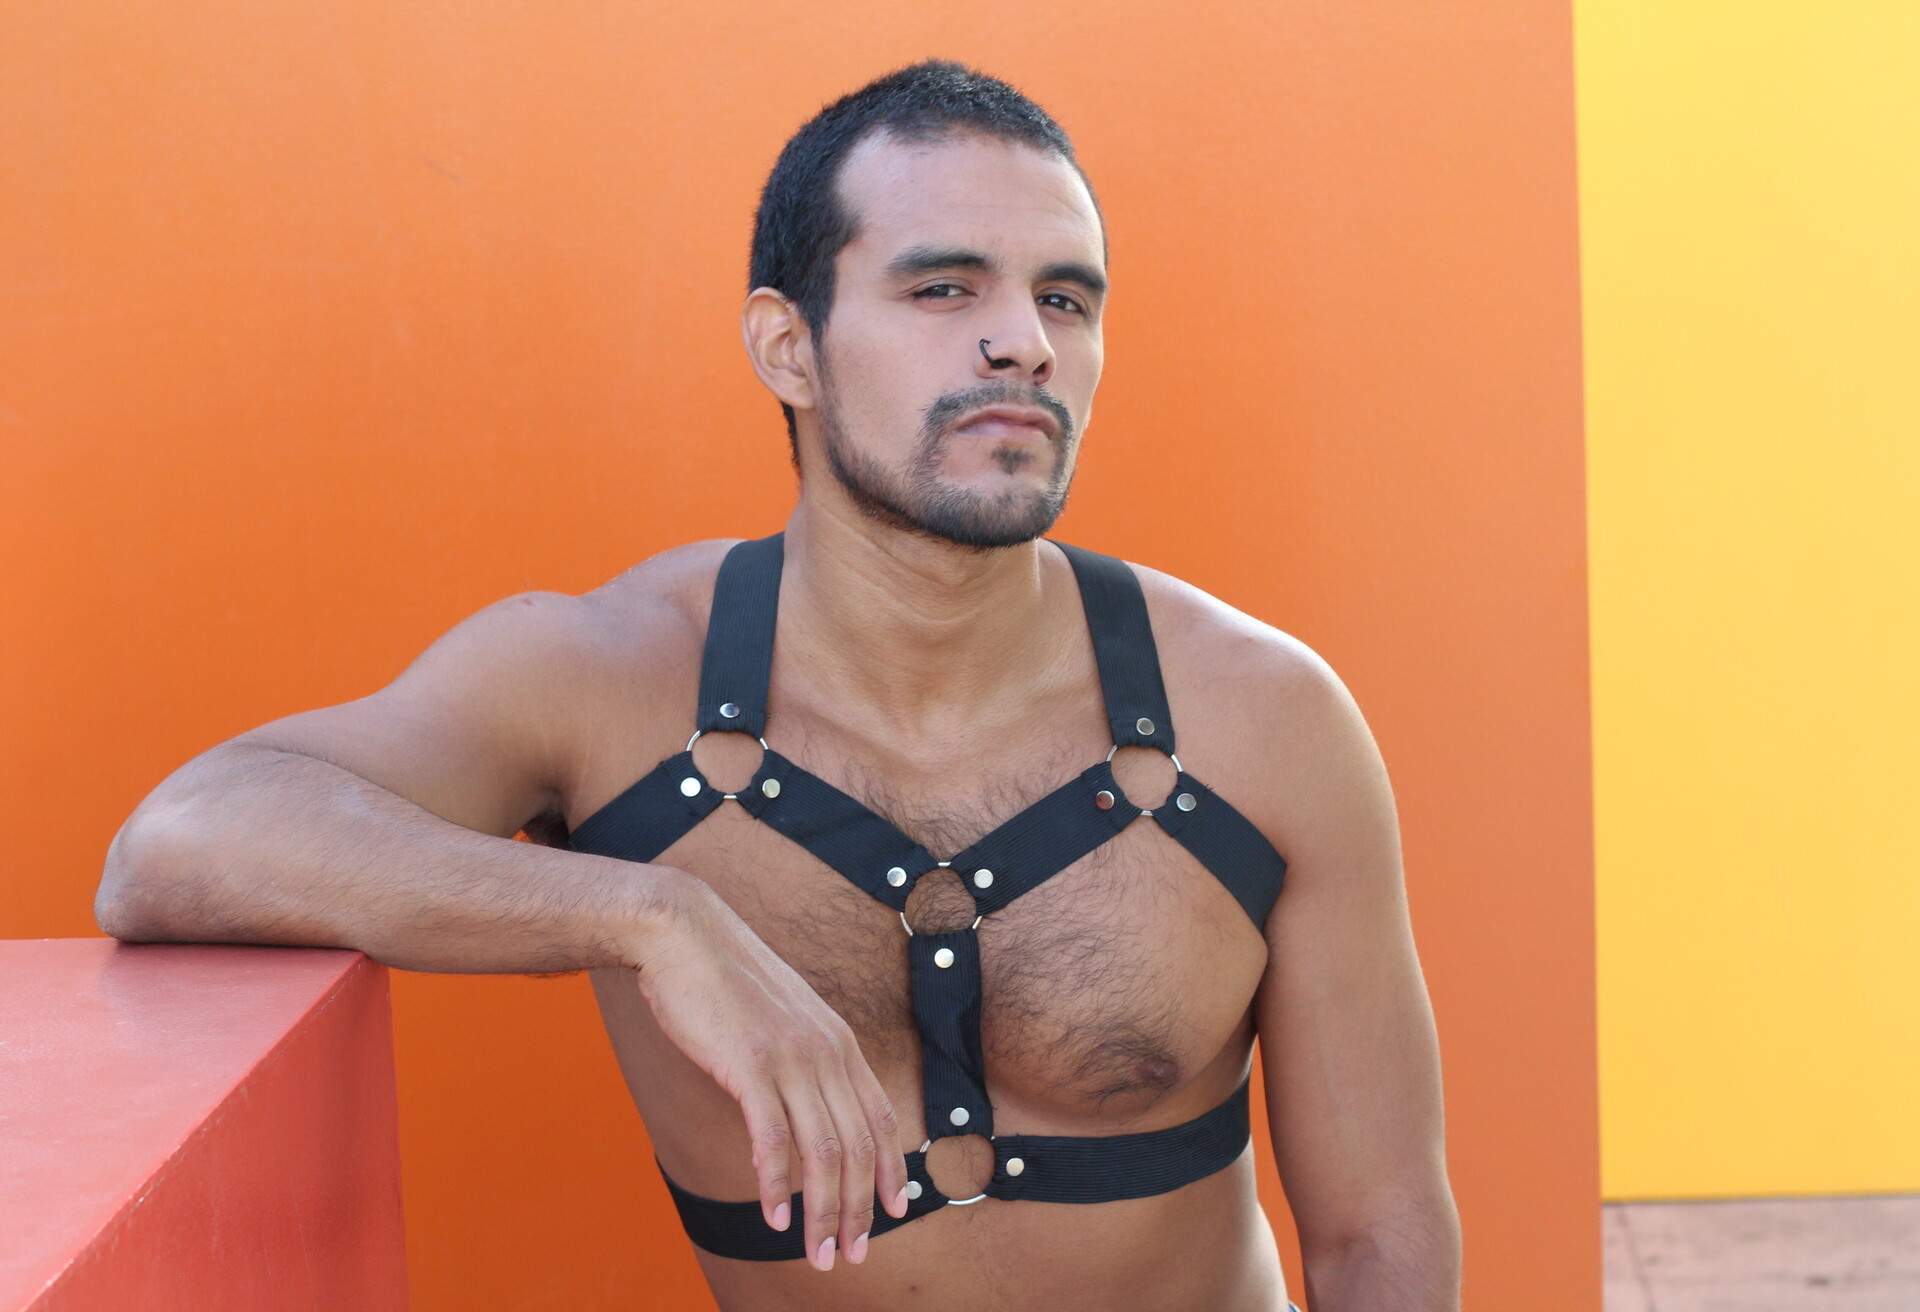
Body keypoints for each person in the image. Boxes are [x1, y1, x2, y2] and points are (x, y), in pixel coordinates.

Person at [96, 59, 1460, 1312]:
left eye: (1064, 297)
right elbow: (182, 842)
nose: (1023, 344)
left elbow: (1378, 1231)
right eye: (944, 289)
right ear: (785, 346)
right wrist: (648, 915)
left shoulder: (1264, 718)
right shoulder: (608, 681)